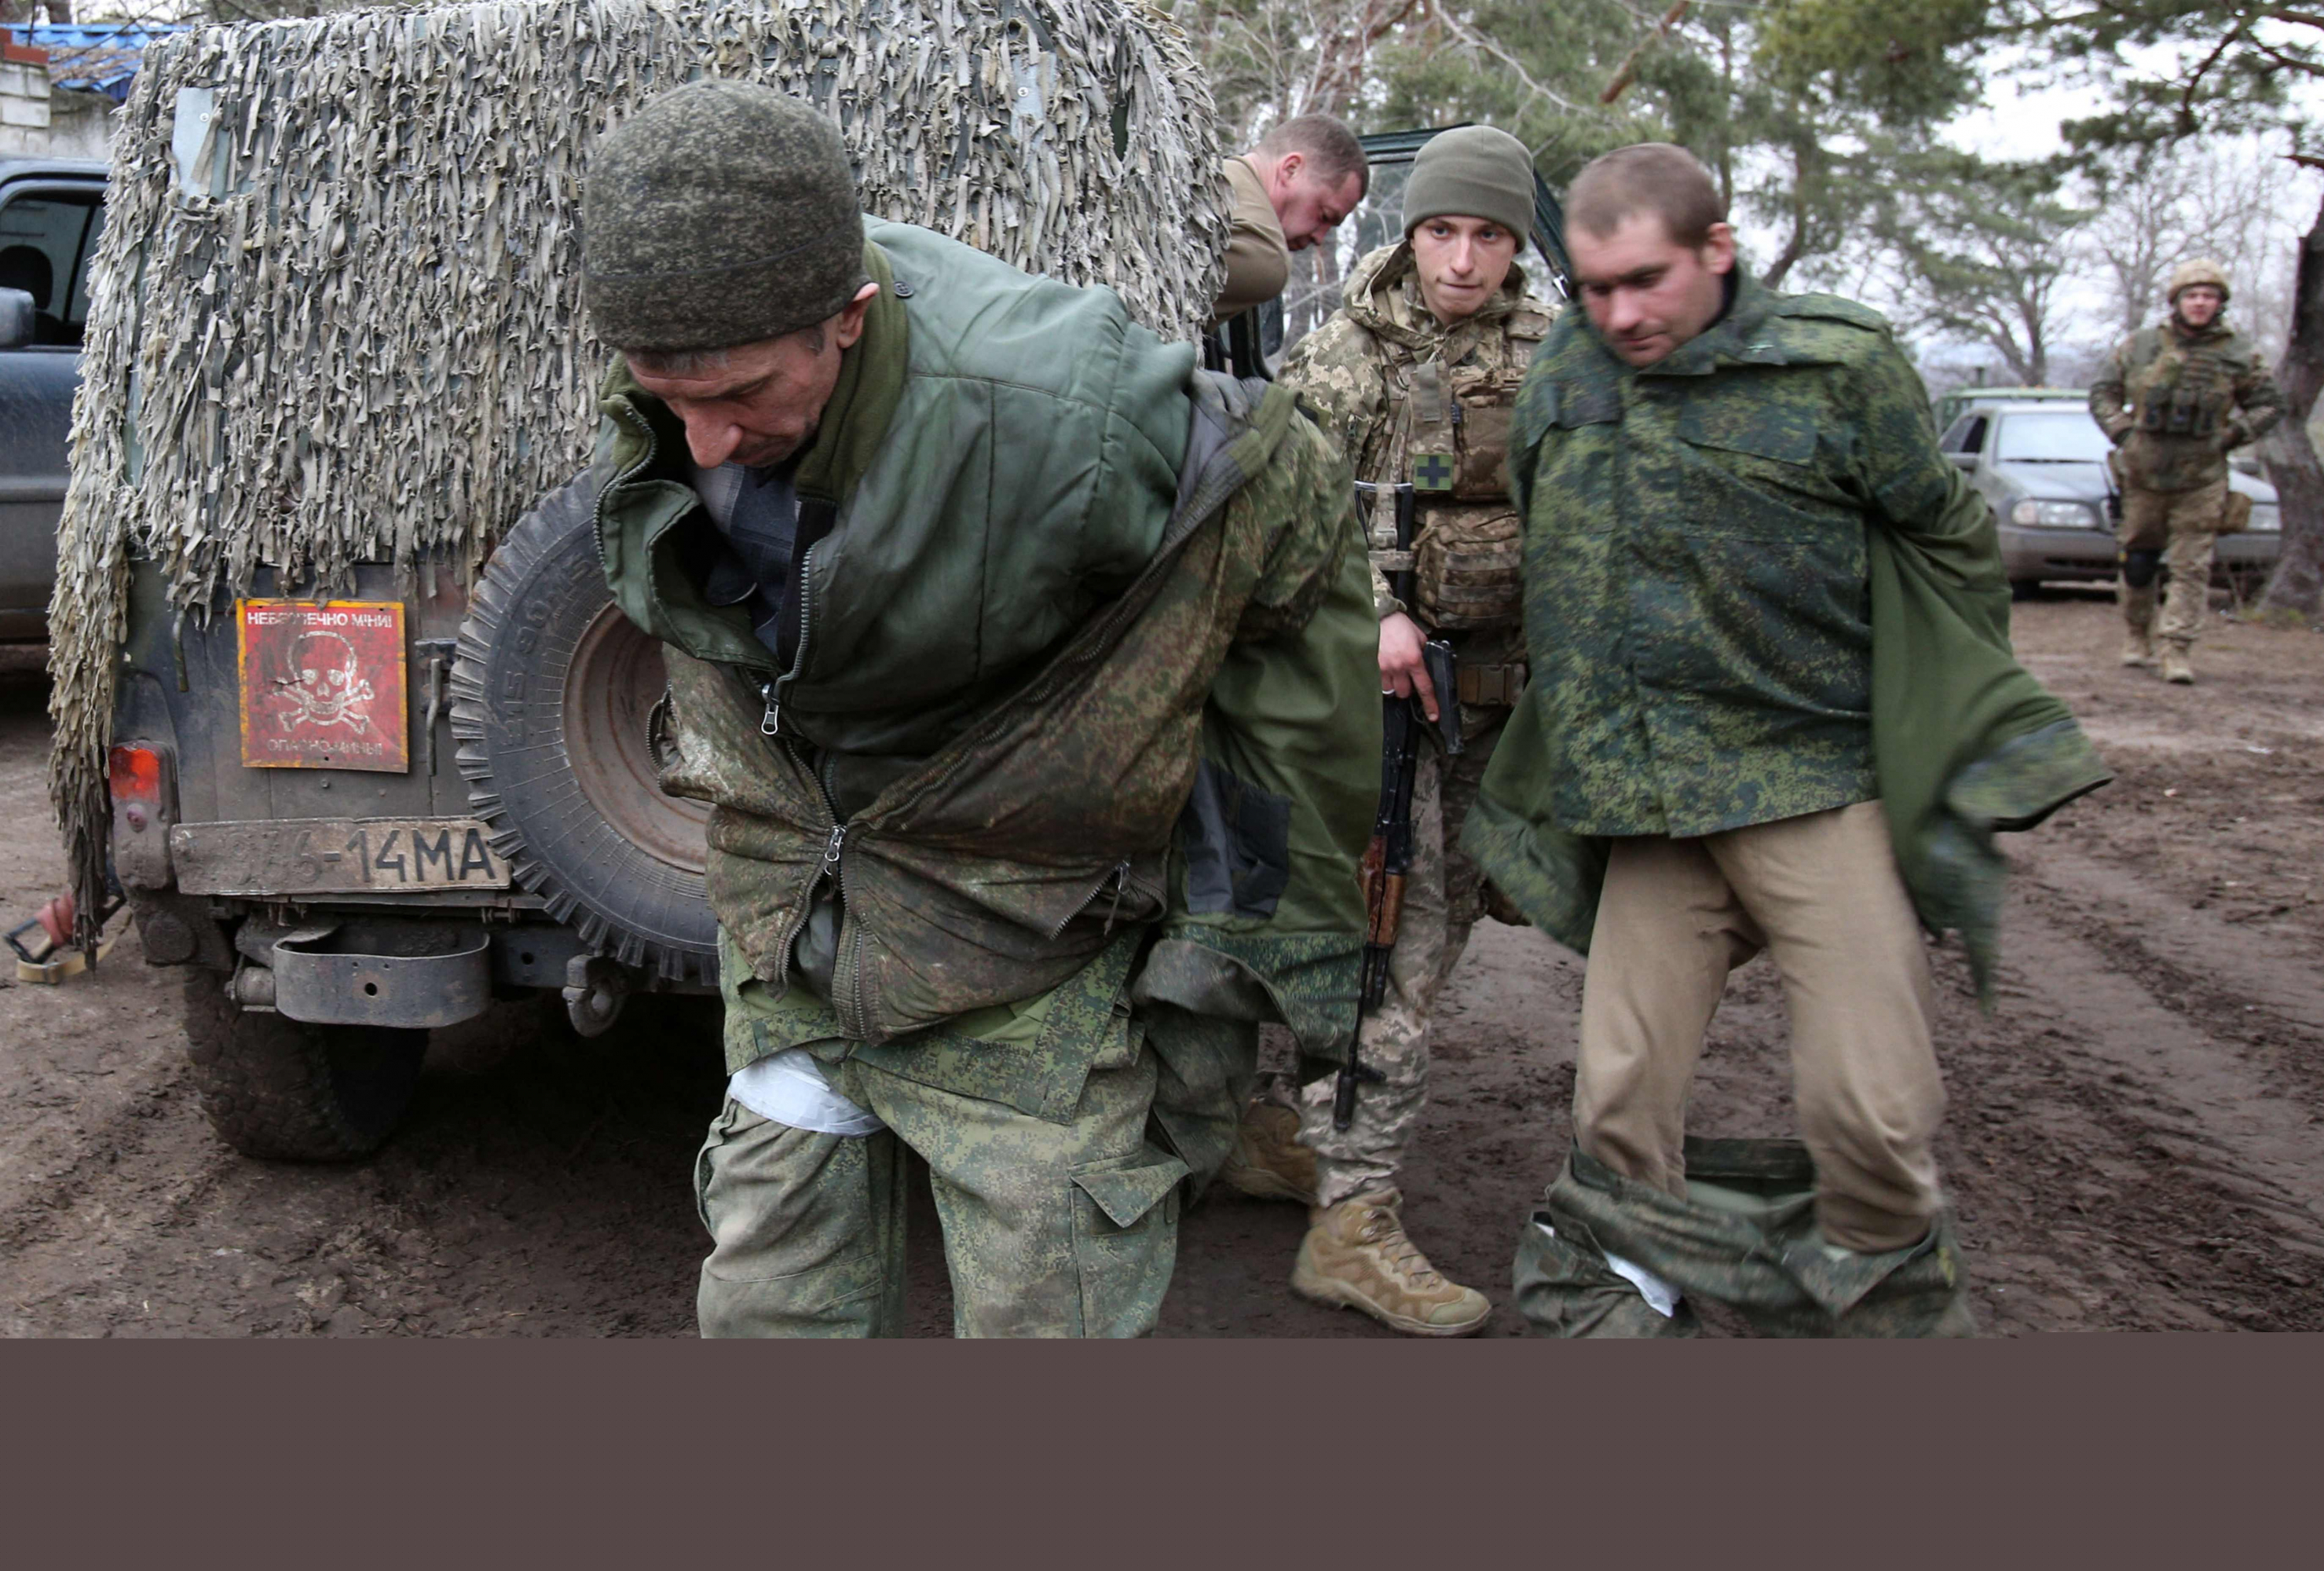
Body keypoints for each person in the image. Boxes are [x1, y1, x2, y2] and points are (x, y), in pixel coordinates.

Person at [581, 82, 1378, 1337]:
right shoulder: (699, 362)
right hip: (797, 935)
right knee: (767, 1306)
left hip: (1024, 950)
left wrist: (1248, 930)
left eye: (739, 398)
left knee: (1044, 1316)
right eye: (666, 399)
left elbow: (1289, 531)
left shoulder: (1062, 416)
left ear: (850, 321)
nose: (707, 443)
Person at [1466, 142, 2109, 1337]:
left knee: (1872, 1106)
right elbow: (1546, 523)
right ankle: (1635, 1281)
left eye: (1646, 281)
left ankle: (1880, 1298)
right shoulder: (1566, 368)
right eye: (1595, 288)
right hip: (1648, 792)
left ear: (1719, 252)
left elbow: (1943, 536)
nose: (1618, 314)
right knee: (1617, 1096)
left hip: (1809, 776)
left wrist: (1946, 708)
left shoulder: (1838, 365)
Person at [1235, 126, 1557, 1337]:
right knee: (1395, 955)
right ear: (1407, 234)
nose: (1462, 260)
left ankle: (1305, 1136)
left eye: (1486, 235)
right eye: (1441, 231)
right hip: (1384, 713)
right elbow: (1288, 517)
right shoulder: (1346, 357)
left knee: (1445, 933)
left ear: (1516, 244)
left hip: (1501, 709)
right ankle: (1352, 1218)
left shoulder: (1557, 359)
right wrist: (1375, 612)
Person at [2088, 258, 2283, 685]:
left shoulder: (2238, 353)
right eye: (2192, 295)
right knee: (2138, 563)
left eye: (2209, 296)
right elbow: (2103, 392)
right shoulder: (2140, 346)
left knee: (2191, 568)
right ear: (2177, 301)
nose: (2200, 303)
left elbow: (2269, 404)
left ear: (2220, 304)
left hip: (2201, 478)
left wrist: (2232, 435)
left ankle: (2176, 648)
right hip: (2143, 475)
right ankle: (2137, 635)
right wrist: (2123, 433)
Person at [1212, 114, 1369, 324]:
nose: (1320, 238)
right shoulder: (1265, 256)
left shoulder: (1206, 172)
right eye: (1324, 216)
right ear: (1291, 169)